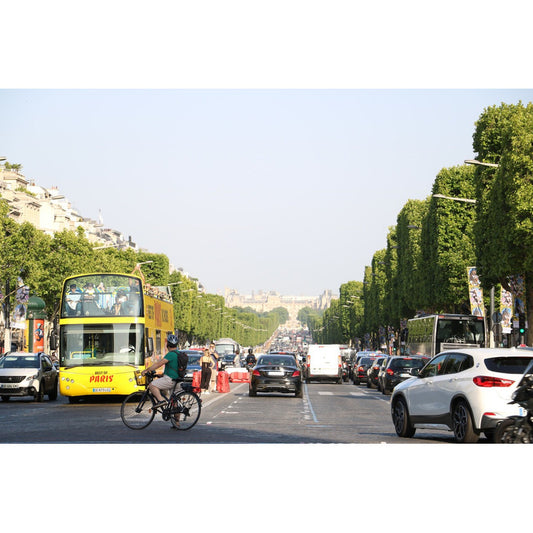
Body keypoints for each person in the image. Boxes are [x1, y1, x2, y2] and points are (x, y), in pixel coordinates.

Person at [141, 334, 186, 408]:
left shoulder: (171, 354)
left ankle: (161, 401)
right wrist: (161, 375)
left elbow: (159, 364)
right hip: (178, 380)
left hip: (170, 380)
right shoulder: (179, 354)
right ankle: (176, 420)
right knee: (175, 402)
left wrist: (147, 370)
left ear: (167, 344)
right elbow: (173, 368)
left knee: (152, 385)